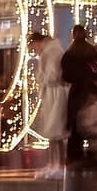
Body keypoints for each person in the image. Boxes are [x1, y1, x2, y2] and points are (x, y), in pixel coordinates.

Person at [61, 24, 97, 157]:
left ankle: (74, 160)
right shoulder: (93, 53)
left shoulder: (69, 55)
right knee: (95, 128)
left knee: (76, 131)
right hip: (93, 93)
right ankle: (96, 158)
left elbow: (66, 76)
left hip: (77, 94)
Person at [29, 30, 69, 176]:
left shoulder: (51, 52)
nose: (35, 50)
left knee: (56, 132)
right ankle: (54, 164)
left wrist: (40, 78)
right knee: (53, 133)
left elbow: (51, 76)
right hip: (52, 95)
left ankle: (58, 164)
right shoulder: (51, 50)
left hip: (55, 95)